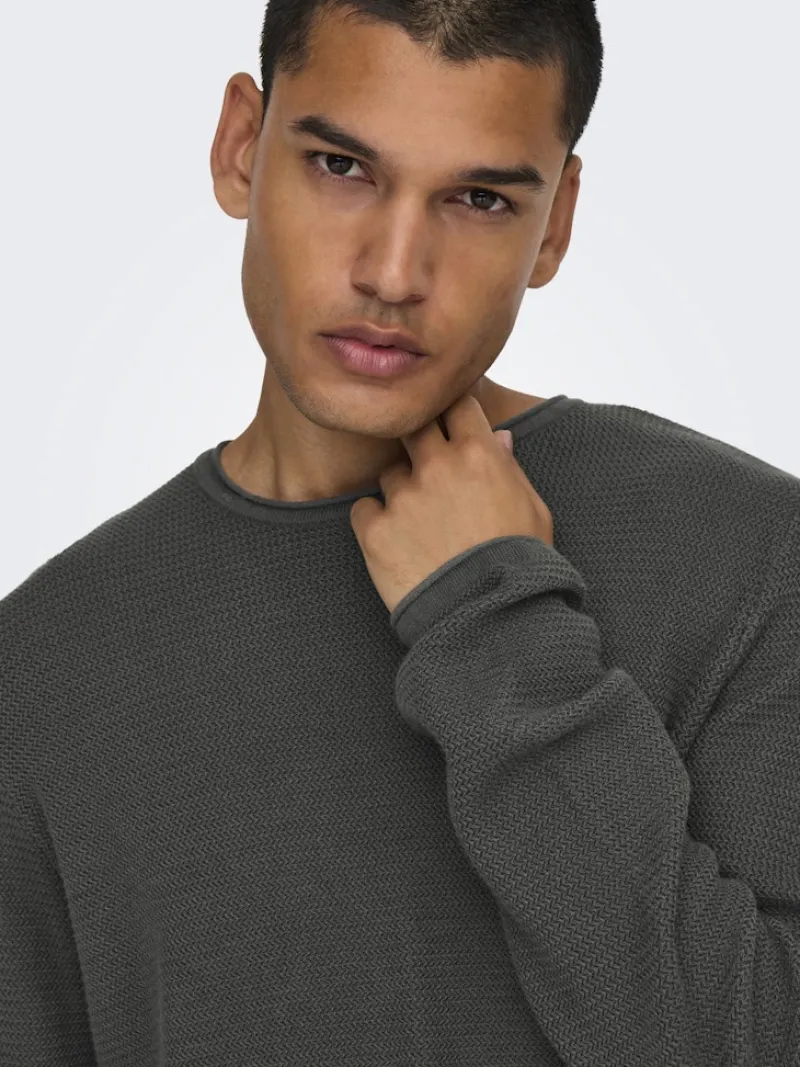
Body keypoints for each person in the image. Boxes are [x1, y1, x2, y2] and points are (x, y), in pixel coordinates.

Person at [2, 2, 799, 1065]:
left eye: (477, 198)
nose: (391, 271)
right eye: (342, 167)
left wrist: (495, 623)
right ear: (241, 146)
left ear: (554, 223)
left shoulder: (747, 556)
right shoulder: (44, 668)